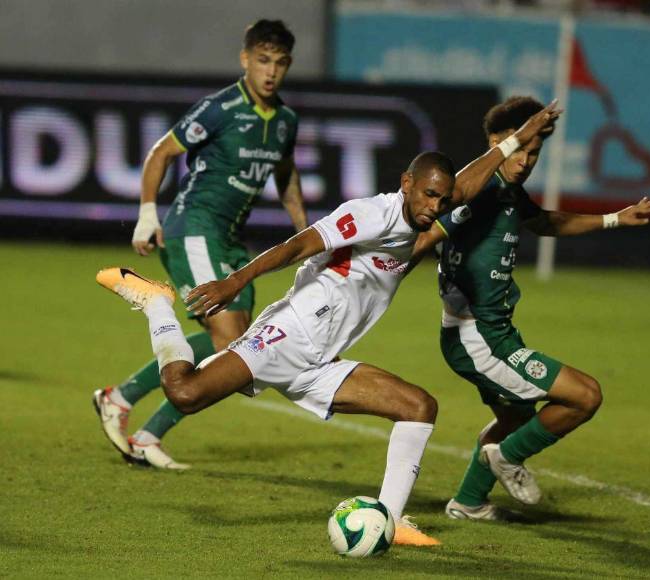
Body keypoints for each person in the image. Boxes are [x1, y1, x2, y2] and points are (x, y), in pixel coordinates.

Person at [95, 101, 561, 546]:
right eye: (429, 196)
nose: (435, 208)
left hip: (321, 362)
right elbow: (299, 245)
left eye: (442, 200)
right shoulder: (370, 215)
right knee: (185, 393)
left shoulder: (426, 209)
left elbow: (467, 184)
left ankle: (392, 522)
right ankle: (157, 303)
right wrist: (236, 280)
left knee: (419, 407)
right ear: (406, 183)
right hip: (286, 336)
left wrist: (516, 140)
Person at [409, 95, 650, 521]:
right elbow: (428, 233)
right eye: (519, 147)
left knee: (518, 416)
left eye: (534, 152)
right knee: (584, 396)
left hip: (494, 332)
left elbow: (543, 222)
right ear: (495, 141)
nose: (525, 160)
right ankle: (505, 459)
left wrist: (615, 218)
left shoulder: (507, 190)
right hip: (477, 337)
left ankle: (468, 502)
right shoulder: (478, 186)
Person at [93, 19, 308, 469]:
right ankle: (125, 402)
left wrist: (306, 232)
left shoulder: (286, 120)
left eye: (281, 63)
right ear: (245, 59)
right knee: (232, 340)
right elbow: (161, 153)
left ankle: (142, 427)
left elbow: (286, 175)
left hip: (230, 241)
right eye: (263, 60)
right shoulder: (222, 107)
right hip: (194, 228)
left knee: (237, 340)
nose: (271, 71)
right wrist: (147, 213)